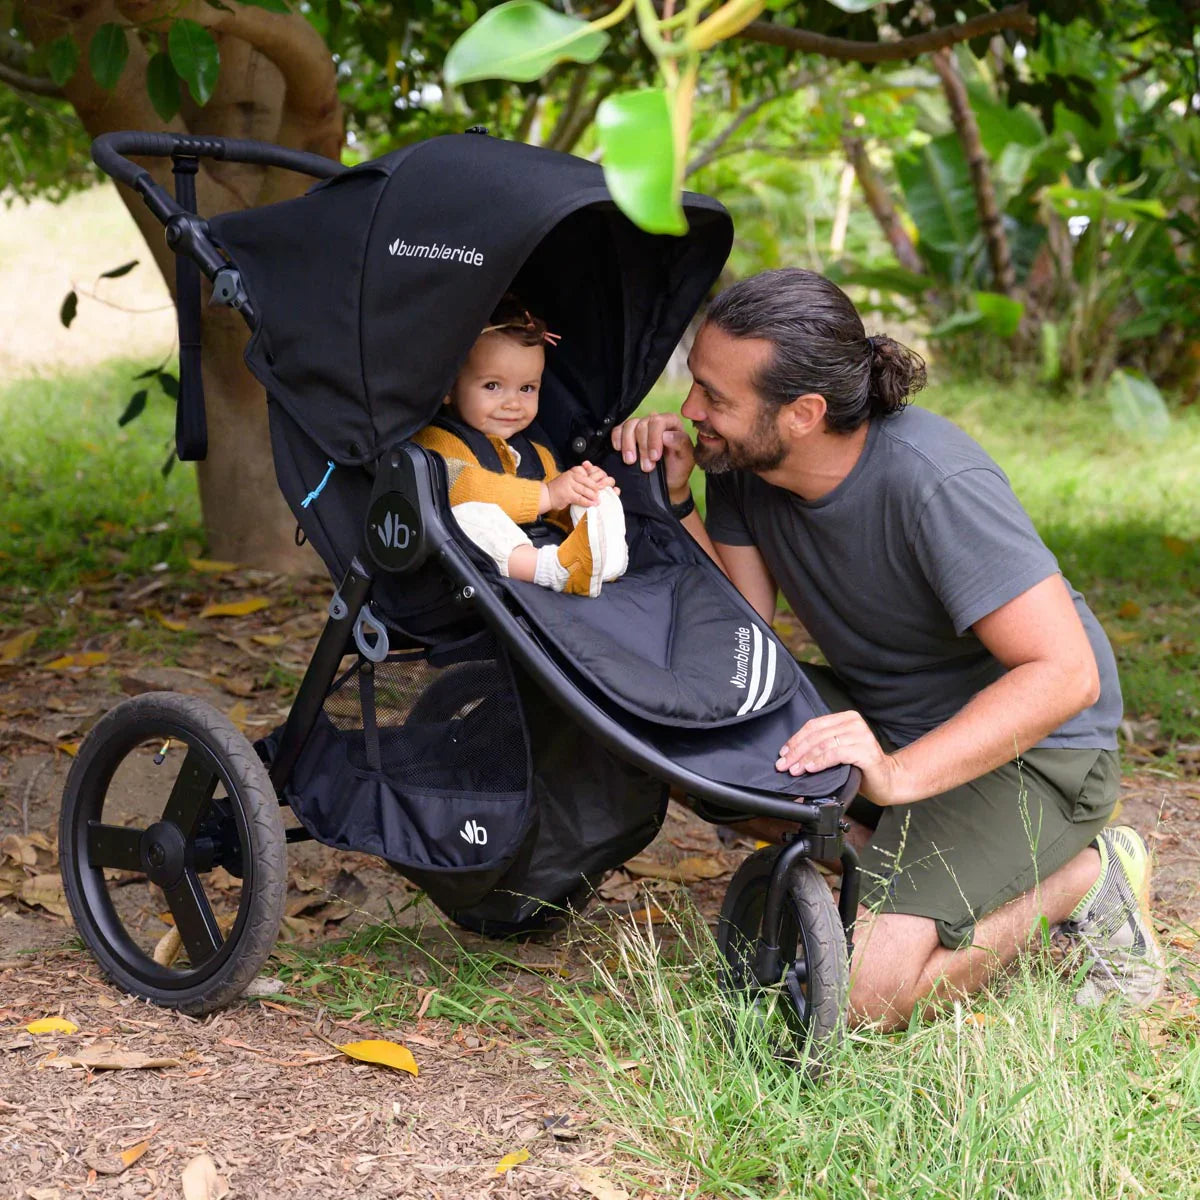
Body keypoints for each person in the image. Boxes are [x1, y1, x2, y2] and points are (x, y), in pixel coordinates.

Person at [613, 268, 1165, 1029]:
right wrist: (676, 501)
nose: (690, 411)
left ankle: (1082, 879)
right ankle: (899, 862)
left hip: (1037, 752)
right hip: (889, 723)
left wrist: (900, 775)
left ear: (804, 412)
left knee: (866, 997)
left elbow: (1064, 675)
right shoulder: (746, 466)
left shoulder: (934, 482)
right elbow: (741, 630)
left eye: (715, 397)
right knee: (680, 730)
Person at [416, 294, 627, 597]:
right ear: (449, 388)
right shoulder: (437, 440)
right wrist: (547, 494)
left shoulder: (536, 454)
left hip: (536, 548)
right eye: (492, 386)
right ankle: (552, 569)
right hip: (461, 567)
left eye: (527, 388)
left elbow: (555, 509)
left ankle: (599, 564)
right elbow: (463, 487)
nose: (513, 403)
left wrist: (580, 494)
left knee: (599, 500)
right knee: (470, 515)